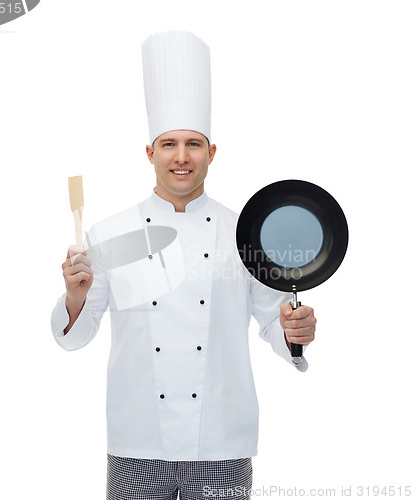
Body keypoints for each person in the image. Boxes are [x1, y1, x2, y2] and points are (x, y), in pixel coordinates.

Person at [51, 31, 316, 500]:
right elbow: (78, 336)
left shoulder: (246, 233)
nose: (181, 156)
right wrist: (74, 299)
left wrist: (295, 332)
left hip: (222, 441)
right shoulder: (109, 234)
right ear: (150, 153)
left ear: (211, 153)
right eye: (168, 143)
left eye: (194, 144)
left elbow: (273, 324)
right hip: (136, 442)